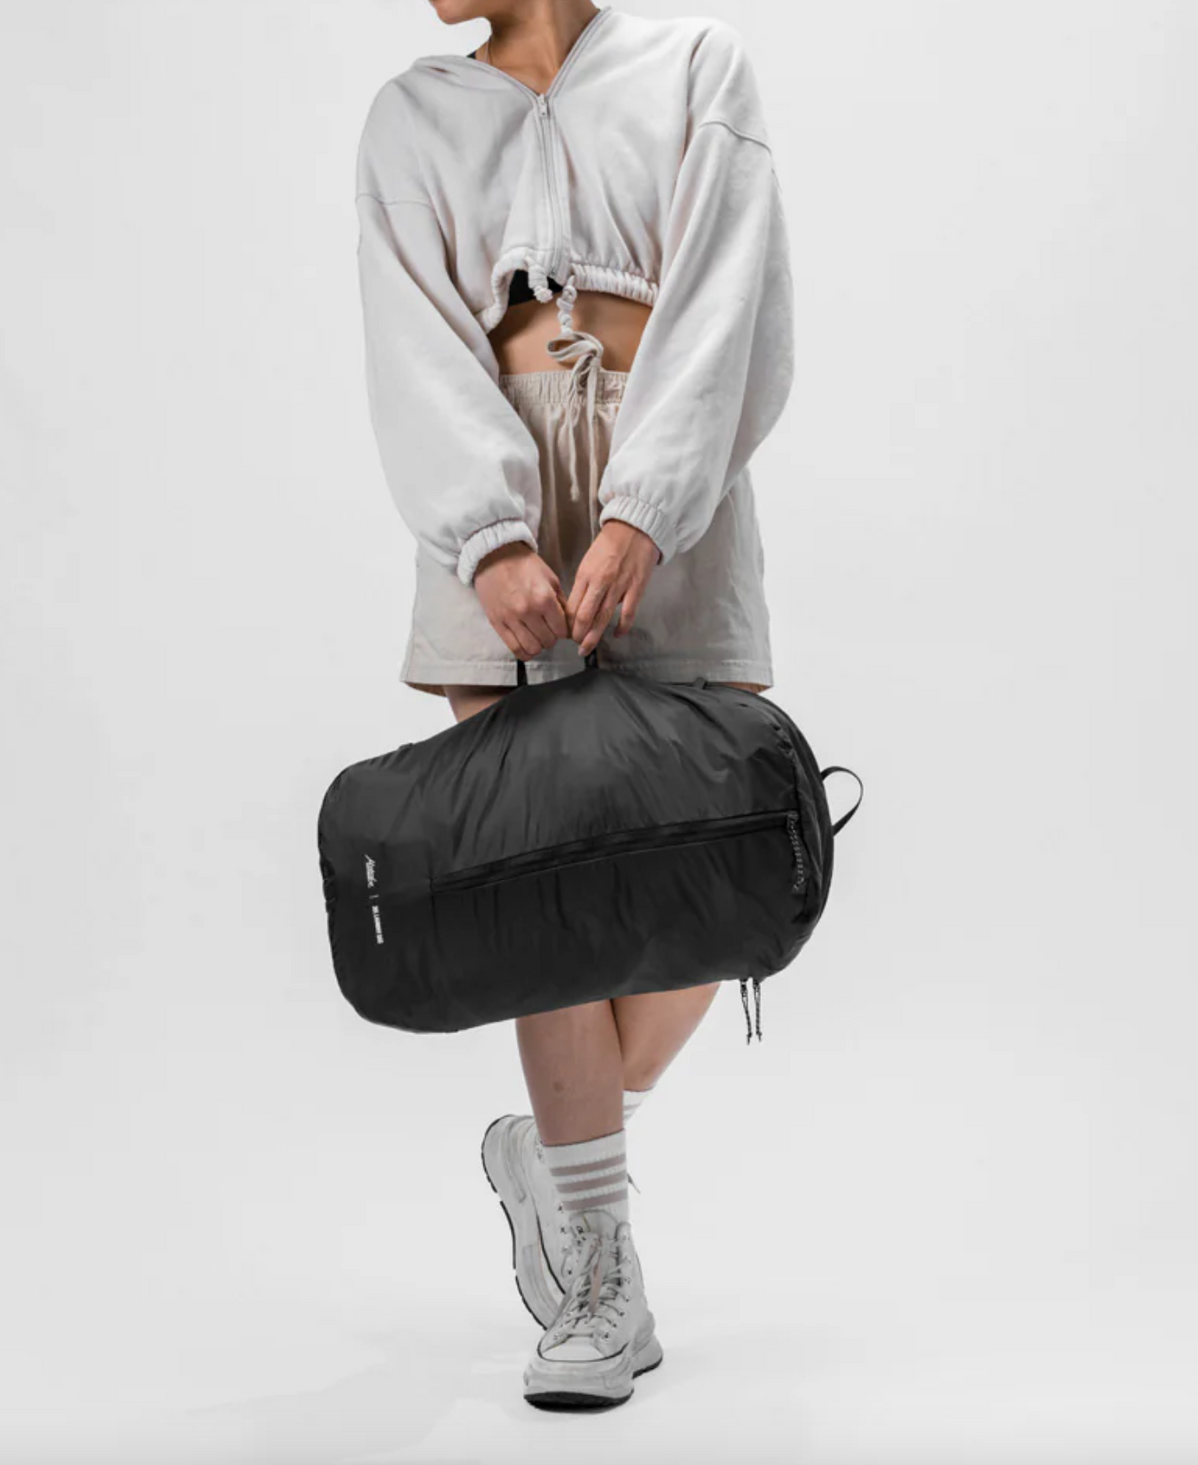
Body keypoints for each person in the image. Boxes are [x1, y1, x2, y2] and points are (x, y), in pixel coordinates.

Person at [353, 0, 793, 1410]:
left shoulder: (696, 68)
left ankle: (557, 1151)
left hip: (676, 465)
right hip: (491, 480)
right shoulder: (412, 116)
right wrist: (487, 536)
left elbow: (726, 300)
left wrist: (647, 508)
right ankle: (601, 1272)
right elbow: (414, 339)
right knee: (542, 887)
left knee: (727, 852)